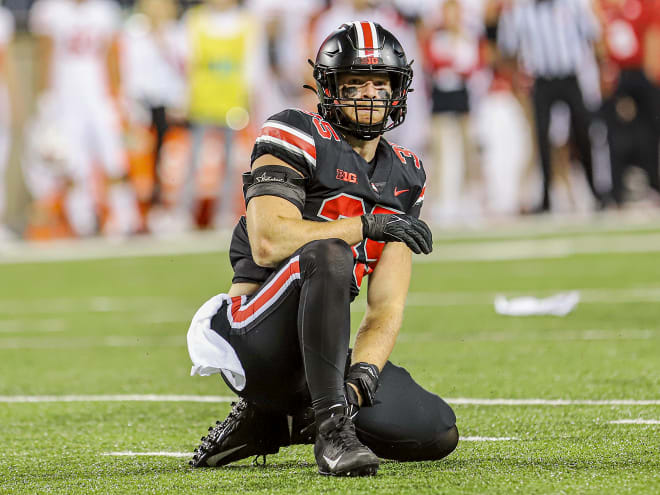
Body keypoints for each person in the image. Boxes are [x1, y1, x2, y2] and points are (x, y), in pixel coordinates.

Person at [186, 22, 458, 477]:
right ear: (329, 89)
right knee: (330, 252)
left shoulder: (406, 174)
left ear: (399, 90)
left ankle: (279, 422)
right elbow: (269, 240)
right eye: (355, 83)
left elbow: (385, 307)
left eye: (380, 83)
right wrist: (365, 224)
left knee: (434, 429)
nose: (370, 95)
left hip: (321, 350)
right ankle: (330, 431)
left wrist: (362, 379)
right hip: (253, 331)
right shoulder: (294, 132)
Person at [498, 0, 607, 213]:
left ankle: (596, 191)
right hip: (542, 80)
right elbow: (509, 47)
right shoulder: (522, 11)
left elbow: (593, 35)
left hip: (570, 77)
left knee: (583, 132)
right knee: (541, 138)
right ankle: (546, 197)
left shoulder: (573, 5)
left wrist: (602, 71)